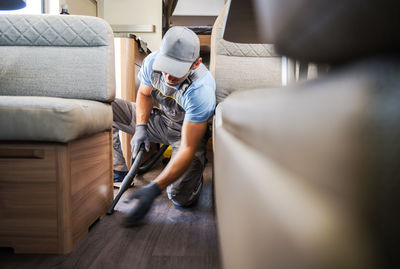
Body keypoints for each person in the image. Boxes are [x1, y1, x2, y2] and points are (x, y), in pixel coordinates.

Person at [112, 26, 216, 225]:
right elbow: (144, 94)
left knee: (180, 197)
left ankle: (194, 175)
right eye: (166, 66)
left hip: (185, 136)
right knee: (108, 107)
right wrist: (141, 126)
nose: (168, 76)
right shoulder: (152, 62)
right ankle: (119, 170)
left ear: (195, 64)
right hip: (160, 121)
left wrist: (153, 189)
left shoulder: (201, 90)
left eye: (176, 71)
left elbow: (187, 148)